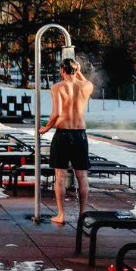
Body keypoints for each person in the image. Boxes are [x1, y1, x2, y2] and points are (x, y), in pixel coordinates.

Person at [39, 59, 93, 225]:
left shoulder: (58, 87)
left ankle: (61, 215)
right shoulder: (87, 86)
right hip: (80, 135)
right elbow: (84, 81)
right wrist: (79, 71)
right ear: (76, 69)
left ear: (62, 69)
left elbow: (56, 113)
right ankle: (82, 214)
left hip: (63, 134)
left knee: (60, 176)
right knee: (82, 176)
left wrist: (45, 128)